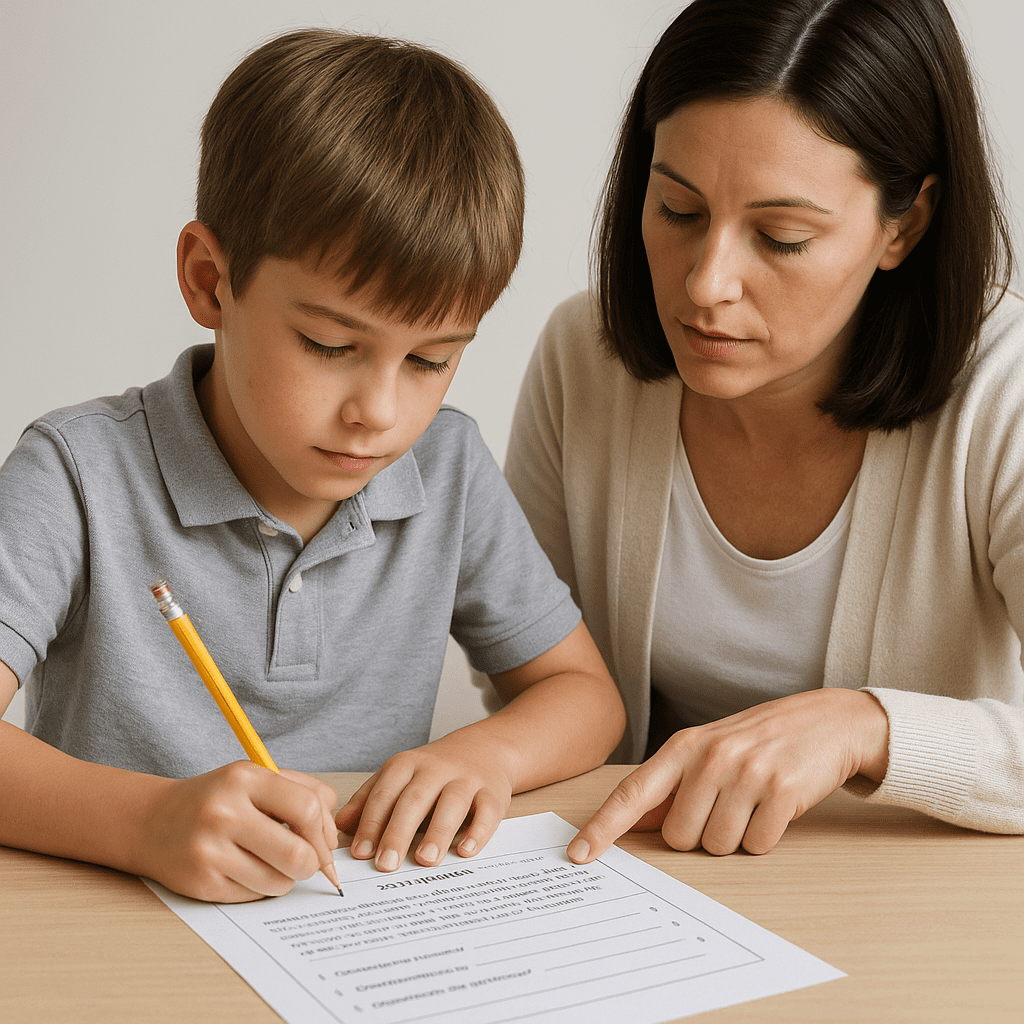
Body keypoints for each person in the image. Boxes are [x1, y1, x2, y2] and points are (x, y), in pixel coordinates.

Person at [0, 29, 625, 903]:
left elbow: (585, 696)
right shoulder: (75, 473)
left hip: (344, 932)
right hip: (118, 932)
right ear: (211, 281)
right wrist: (146, 823)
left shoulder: (447, 467)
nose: (381, 411)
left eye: (430, 361)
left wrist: (483, 754)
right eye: (331, 344)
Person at [499, 0, 1022, 864]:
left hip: (909, 900)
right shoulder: (583, 357)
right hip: (642, 881)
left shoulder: (1004, 392)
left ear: (906, 224)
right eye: (677, 210)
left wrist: (868, 727)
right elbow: (528, 670)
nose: (708, 284)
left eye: (780, 237)